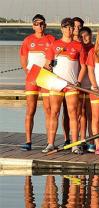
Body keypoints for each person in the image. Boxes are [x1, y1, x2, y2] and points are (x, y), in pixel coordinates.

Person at [44, 17, 86, 154]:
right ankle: (50, 144)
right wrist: (49, 67)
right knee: (54, 113)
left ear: (73, 29)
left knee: (73, 114)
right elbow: (46, 65)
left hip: (72, 86)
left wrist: (78, 82)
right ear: (61, 29)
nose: (68, 30)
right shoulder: (54, 45)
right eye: (66, 27)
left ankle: (74, 145)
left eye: (70, 27)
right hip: (56, 84)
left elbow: (84, 67)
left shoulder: (78, 46)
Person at [19, 14, 55, 151]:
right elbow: (23, 60)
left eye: (42, 24)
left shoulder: (51, 39)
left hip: (45, 77)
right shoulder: (28, 40)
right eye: (37, 24)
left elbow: (55, 57)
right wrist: (28, 73)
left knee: (48, 110)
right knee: (30, 109)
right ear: (33, 26)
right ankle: (28, 141)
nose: (40, 26)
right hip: (32, 78)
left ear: (45, 25)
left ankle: (49, 142)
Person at [78, 26, 95, 152]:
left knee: (91, 115)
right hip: (79, 85)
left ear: (91, 36)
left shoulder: (95, 49)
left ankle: (91, 140)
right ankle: (81, 139)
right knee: (80, 114)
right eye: (81, 36)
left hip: (91, 86)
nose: (84, 38)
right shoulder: (78, 48)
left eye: (87, 35)